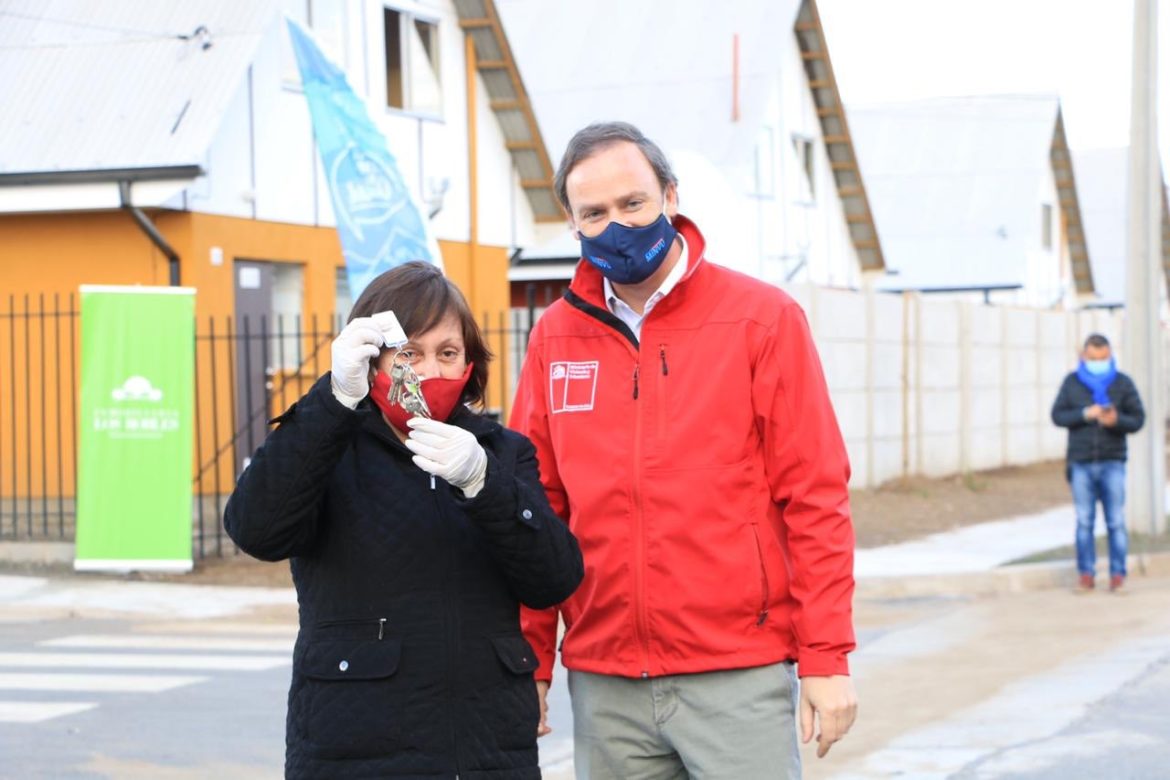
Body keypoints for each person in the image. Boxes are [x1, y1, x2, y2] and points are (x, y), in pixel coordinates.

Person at [509, 121, 858, 779]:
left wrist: (826, 656)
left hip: (736, 672)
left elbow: (814, 495)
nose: (616, 224)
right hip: (605, 678)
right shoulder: (555, 339)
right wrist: (530, 661)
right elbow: (535, 512)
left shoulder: (762, 319)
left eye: (632, 203)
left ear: (670, 197)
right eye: (595, 213)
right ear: (573, 223)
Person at [224, 261, 584, 779]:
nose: (431, 370)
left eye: (448, 353)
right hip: (354, 746)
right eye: (410, 354)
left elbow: (555, 576)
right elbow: (256, 529)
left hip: (486, 747)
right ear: (373, 358)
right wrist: (333, 400)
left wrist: (486, 485)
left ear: (469, 364)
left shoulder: (501, 453)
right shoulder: (329, 446)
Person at [1051, 333, 1145, 593]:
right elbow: (1057, 416)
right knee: (1084, 522)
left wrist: (1117, 421)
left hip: (1112, 461)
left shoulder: (1123, 383)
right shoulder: (1071, 383)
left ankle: (1117, 575)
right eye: (1093, 359)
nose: (1098, 363)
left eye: (1103, 359)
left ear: (1110, 355)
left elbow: (1138, 419)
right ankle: (1086, 575)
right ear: (1084, 356)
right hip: (1081, 462)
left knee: (1115, 521)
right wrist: (1084, 414)